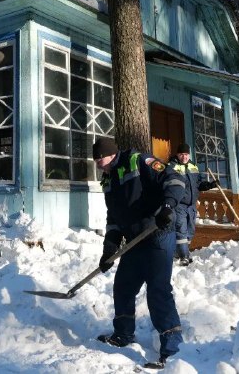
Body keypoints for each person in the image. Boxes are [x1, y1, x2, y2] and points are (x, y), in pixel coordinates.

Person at [93, 136, 183, 369]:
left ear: (111, 154)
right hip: (134, 240)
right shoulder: (108, 179)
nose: (98, 165)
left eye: (100, 159)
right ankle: (123, 334)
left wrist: (167, 206)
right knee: (123, 287)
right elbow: (113, 217)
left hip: (158, 233)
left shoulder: (139, 160)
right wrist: (109, 249)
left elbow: (174, 179)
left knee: (158, 290)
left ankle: (173, 349)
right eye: (96, 161)